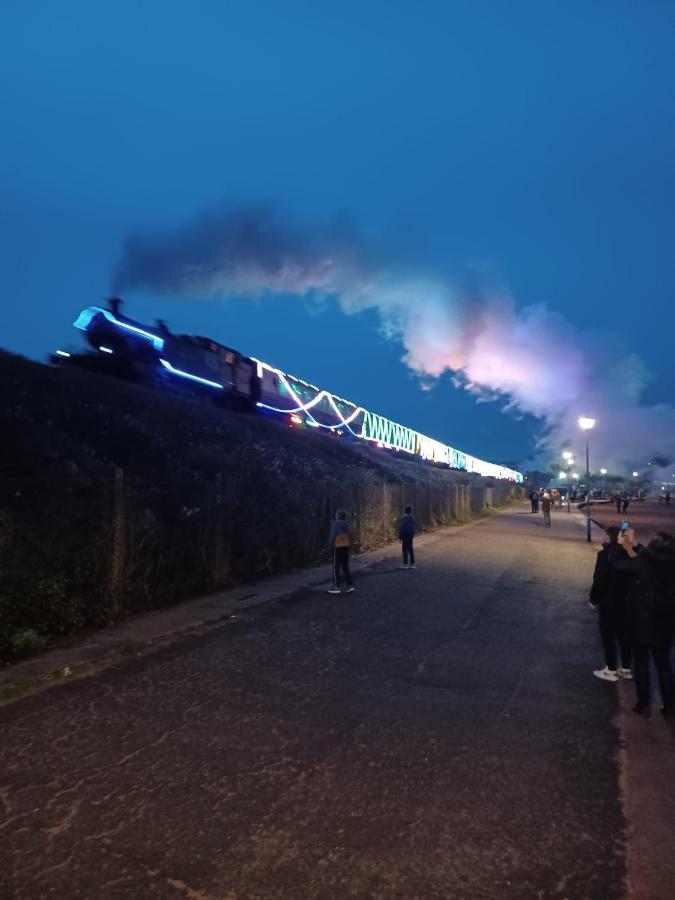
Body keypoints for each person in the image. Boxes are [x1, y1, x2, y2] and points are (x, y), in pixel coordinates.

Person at [613, 531, 675, 717]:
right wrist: (636, 547)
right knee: (664, 666)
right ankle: (669, 707)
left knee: (641, 665)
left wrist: (620, 546)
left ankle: (643, 704)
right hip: (664, 621)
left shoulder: (644, 564)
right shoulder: (671, 564)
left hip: (641, 622)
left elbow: (618, 566)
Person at [588, 526, 631, 682]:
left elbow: (599, 580)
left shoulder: (604, 555)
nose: (602, 536)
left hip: (608, 602)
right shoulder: (628, 554)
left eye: (604, 534)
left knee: (608, 636)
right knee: (623, 636)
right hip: (626, 602)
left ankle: (611, 670)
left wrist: (593, 599)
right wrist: (626, 535)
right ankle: (626, 668)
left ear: (608, 538)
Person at [327, 509, 354, 594]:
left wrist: (329, 546)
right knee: (345, 567)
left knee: (336, 568)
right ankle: (350, 585)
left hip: (337, 547)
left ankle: (336, 587)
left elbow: (332, 536)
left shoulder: (335, 524)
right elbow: (350, 535)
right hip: (345, 547)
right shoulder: (346, 524)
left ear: (337, 516)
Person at [398, 505, 416, 569]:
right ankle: (412, 564)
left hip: (405, 535)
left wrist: (400, 536)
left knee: (404, 550)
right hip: (410, 535)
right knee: (410, 549)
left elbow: (402, 528)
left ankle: (405, 564)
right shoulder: (412, 518)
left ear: (405, 511)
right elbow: (413, 527)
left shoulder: (403, 518)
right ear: (411, 511)